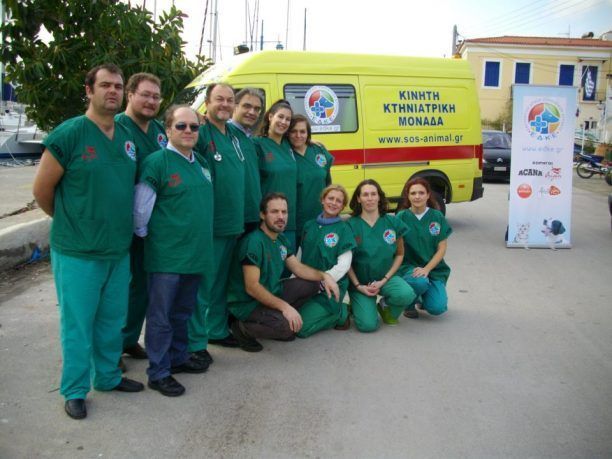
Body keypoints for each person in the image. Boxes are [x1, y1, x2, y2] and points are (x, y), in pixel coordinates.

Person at [32, 64, 144, 420]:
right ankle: (75, 390)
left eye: (118, 86)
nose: (112, 91)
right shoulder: (69, 134)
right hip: (78, 251)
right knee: (78, 324)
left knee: (111, 320)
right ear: (89, 90)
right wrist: (72, 220)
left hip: (117, 249)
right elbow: (42, 190)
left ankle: (108, 377)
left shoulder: (126, 138)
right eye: (105, 85)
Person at [134, 105, 214, 397]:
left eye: (194, 126)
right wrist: (159, 240)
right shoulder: (157, 163)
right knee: (161, 317)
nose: (188, 131)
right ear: (168, 129)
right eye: (181, 126)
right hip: (167, 258)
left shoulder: (200, 162)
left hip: (195, 255)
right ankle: (158, 372)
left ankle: (178, 358)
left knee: (182, 313)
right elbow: (140, 212)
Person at [226, 193, 340, 351]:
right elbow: (252, 287)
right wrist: (285, 307)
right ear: (262, 214)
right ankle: (241, 327)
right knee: (287, 329)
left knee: (312, 284)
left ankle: (275, 316)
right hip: (247, 303)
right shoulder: (254, 242)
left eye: (284, 212)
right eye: (274, 212)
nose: (281, 216)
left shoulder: (280, 239)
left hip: (271, 291)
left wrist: (324, 276)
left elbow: (298, 268)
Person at [115, 72, 167, 368]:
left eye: (156, 97)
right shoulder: (117, 128)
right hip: (123, 225)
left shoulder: (159, 130)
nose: (151, 101)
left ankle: (128, 338)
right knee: (120, 289)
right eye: (145, 94)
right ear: (130, 94)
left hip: (152, 227)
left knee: (142, 287)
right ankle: (111, 348)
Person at [189, 83, 244, 358]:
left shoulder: (233, 134)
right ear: (207, 103)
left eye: (229, 100)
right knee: (202, 287)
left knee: (220, 283)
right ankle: (195, 343)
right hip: (209, 225)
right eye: (219, 99)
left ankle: (216, 330)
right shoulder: (199, 133)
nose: (225, 104)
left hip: (232, 224)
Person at [346, 179, 416, 332]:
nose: (370, 198)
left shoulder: (392, 222)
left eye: (373, 194)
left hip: (386, 278)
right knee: (368, 325)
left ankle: (385, 308)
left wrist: (383, 280)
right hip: (361, 283)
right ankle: (356, 304)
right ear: (358, 199)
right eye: (365, 195)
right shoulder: (350, 225)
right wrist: (358, 286)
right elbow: (346, 262)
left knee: (406, 294)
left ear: (379, 197)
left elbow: (400, 254)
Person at [296, 185, 355, 337]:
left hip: (329, 287)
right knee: (289, 318)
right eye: (330, 198)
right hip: (306, 283)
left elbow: (344, 265)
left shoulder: (344, 229)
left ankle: (339, 314)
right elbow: (300, 256)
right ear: (323, 200)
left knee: (300, 329)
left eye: (339, 201)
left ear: (343, 206)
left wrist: (323, 281)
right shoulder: (309, 225)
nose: (334, 203)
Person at [396, 177, 452, 319]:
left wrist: (427, 269)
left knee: (437, 308)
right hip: (409, 268)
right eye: (413, 193)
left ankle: (422, 298)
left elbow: (442, 248)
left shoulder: (437, 216)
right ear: (408, 196)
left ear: (428, 195)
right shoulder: (401, 217)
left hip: (433, 269)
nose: (417, 196)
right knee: (419, 281)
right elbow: (395, 249)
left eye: (421, 193)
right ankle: (409, 304)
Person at [253, 100, 298, 249]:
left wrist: (314, 141)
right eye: (280, 117)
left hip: (289, 219)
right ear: (270, 116)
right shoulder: (257, 144)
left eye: (288, 119)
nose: (284, 122)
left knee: (289, 260)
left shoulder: (289, 145)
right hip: (269, 221)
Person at [288, 114, 333, 248]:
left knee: (315, 256)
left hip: (319, 217)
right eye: (294, 131)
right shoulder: (284, 152)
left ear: (308, 133)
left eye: (302, 131)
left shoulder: (318, 150)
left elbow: (328, 183)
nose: (298, 135)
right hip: (294, 219)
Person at [229, 87, 264, 233]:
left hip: (253, 214)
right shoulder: (225, 132)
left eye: (257, 109)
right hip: (234, 217)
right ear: (234, 106)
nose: (252, 112)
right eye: (247, 106)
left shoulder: (250, 139)